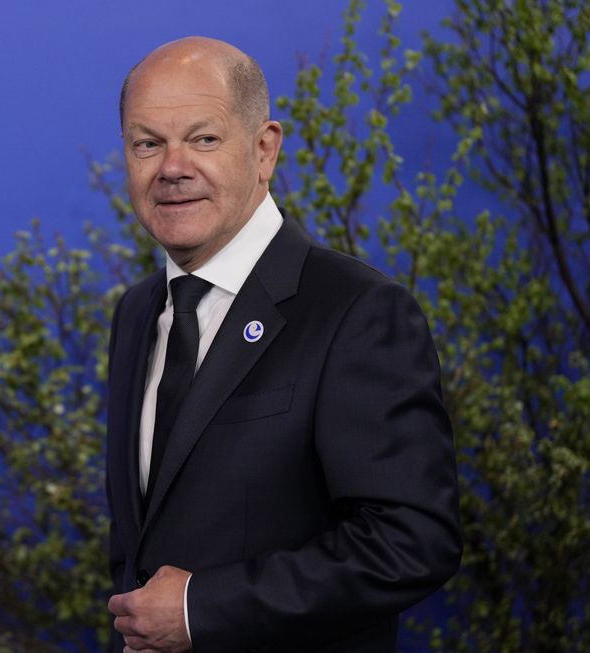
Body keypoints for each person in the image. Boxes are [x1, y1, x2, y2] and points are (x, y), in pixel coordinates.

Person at [105, 36, 461, 653]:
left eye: (204, 138)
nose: (172, 167)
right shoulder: (137, 313)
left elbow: (410, 540)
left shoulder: (357, 310)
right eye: (148, 143)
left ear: (264, 148)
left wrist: (199, 609)